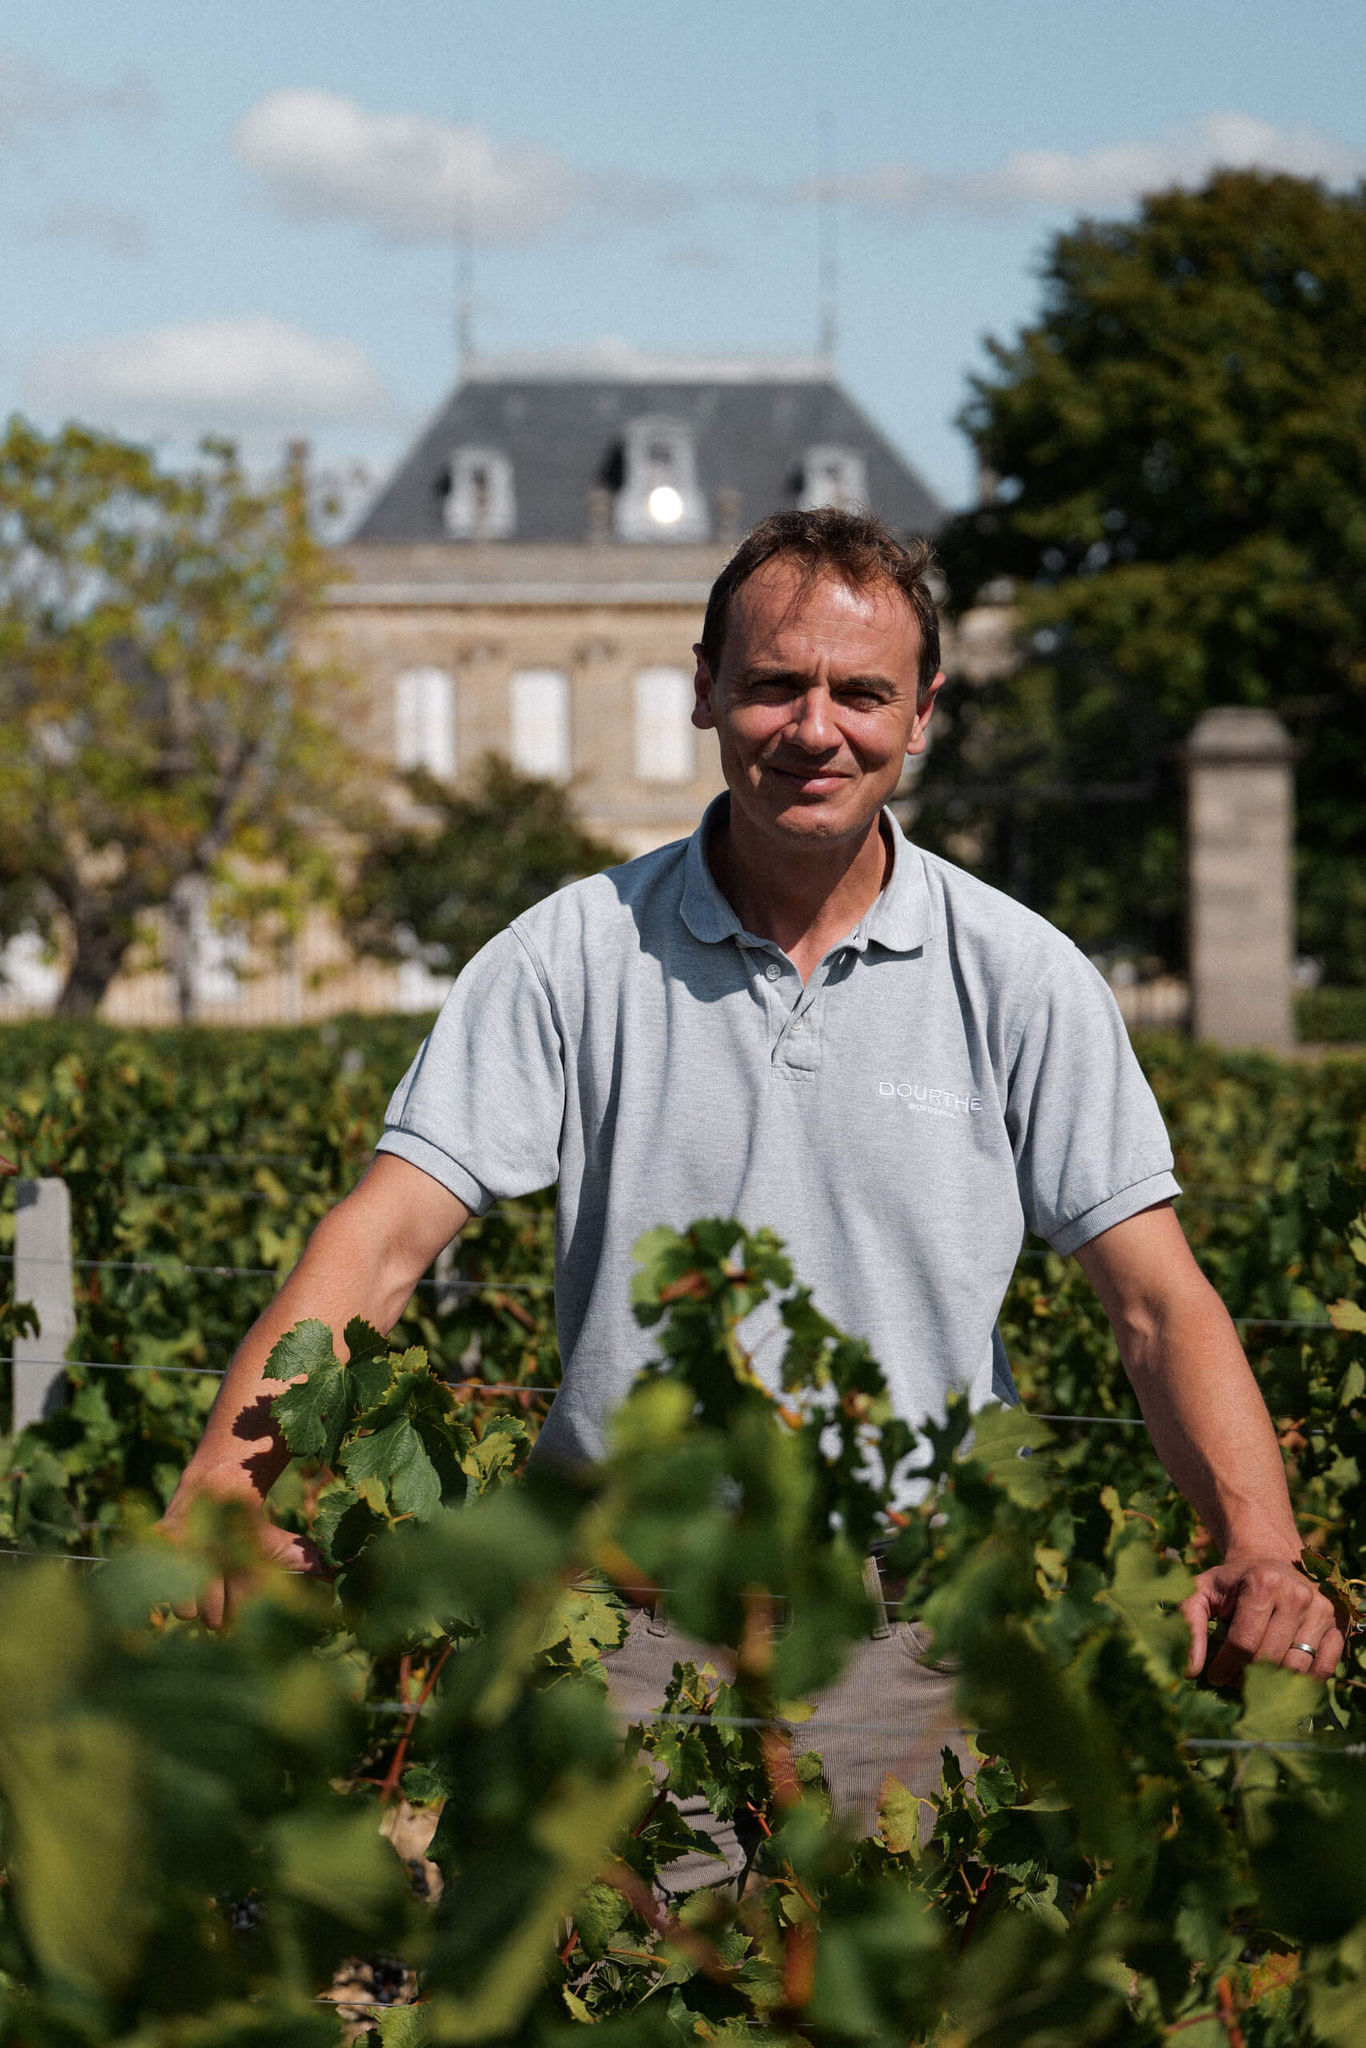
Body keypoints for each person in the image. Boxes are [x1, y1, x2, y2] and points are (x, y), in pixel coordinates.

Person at [164, 508, 1341, 1849]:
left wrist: (1257, 1545)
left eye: (860, 692)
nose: (813, 727)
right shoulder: (572, 953)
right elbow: (381, 1239)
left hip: (908, 1636)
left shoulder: (1021, 979)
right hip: (619, 1627)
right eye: (775, 683)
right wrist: (227, 1475)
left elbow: (1154, 1306)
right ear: (704, 689)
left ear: (922, 712)